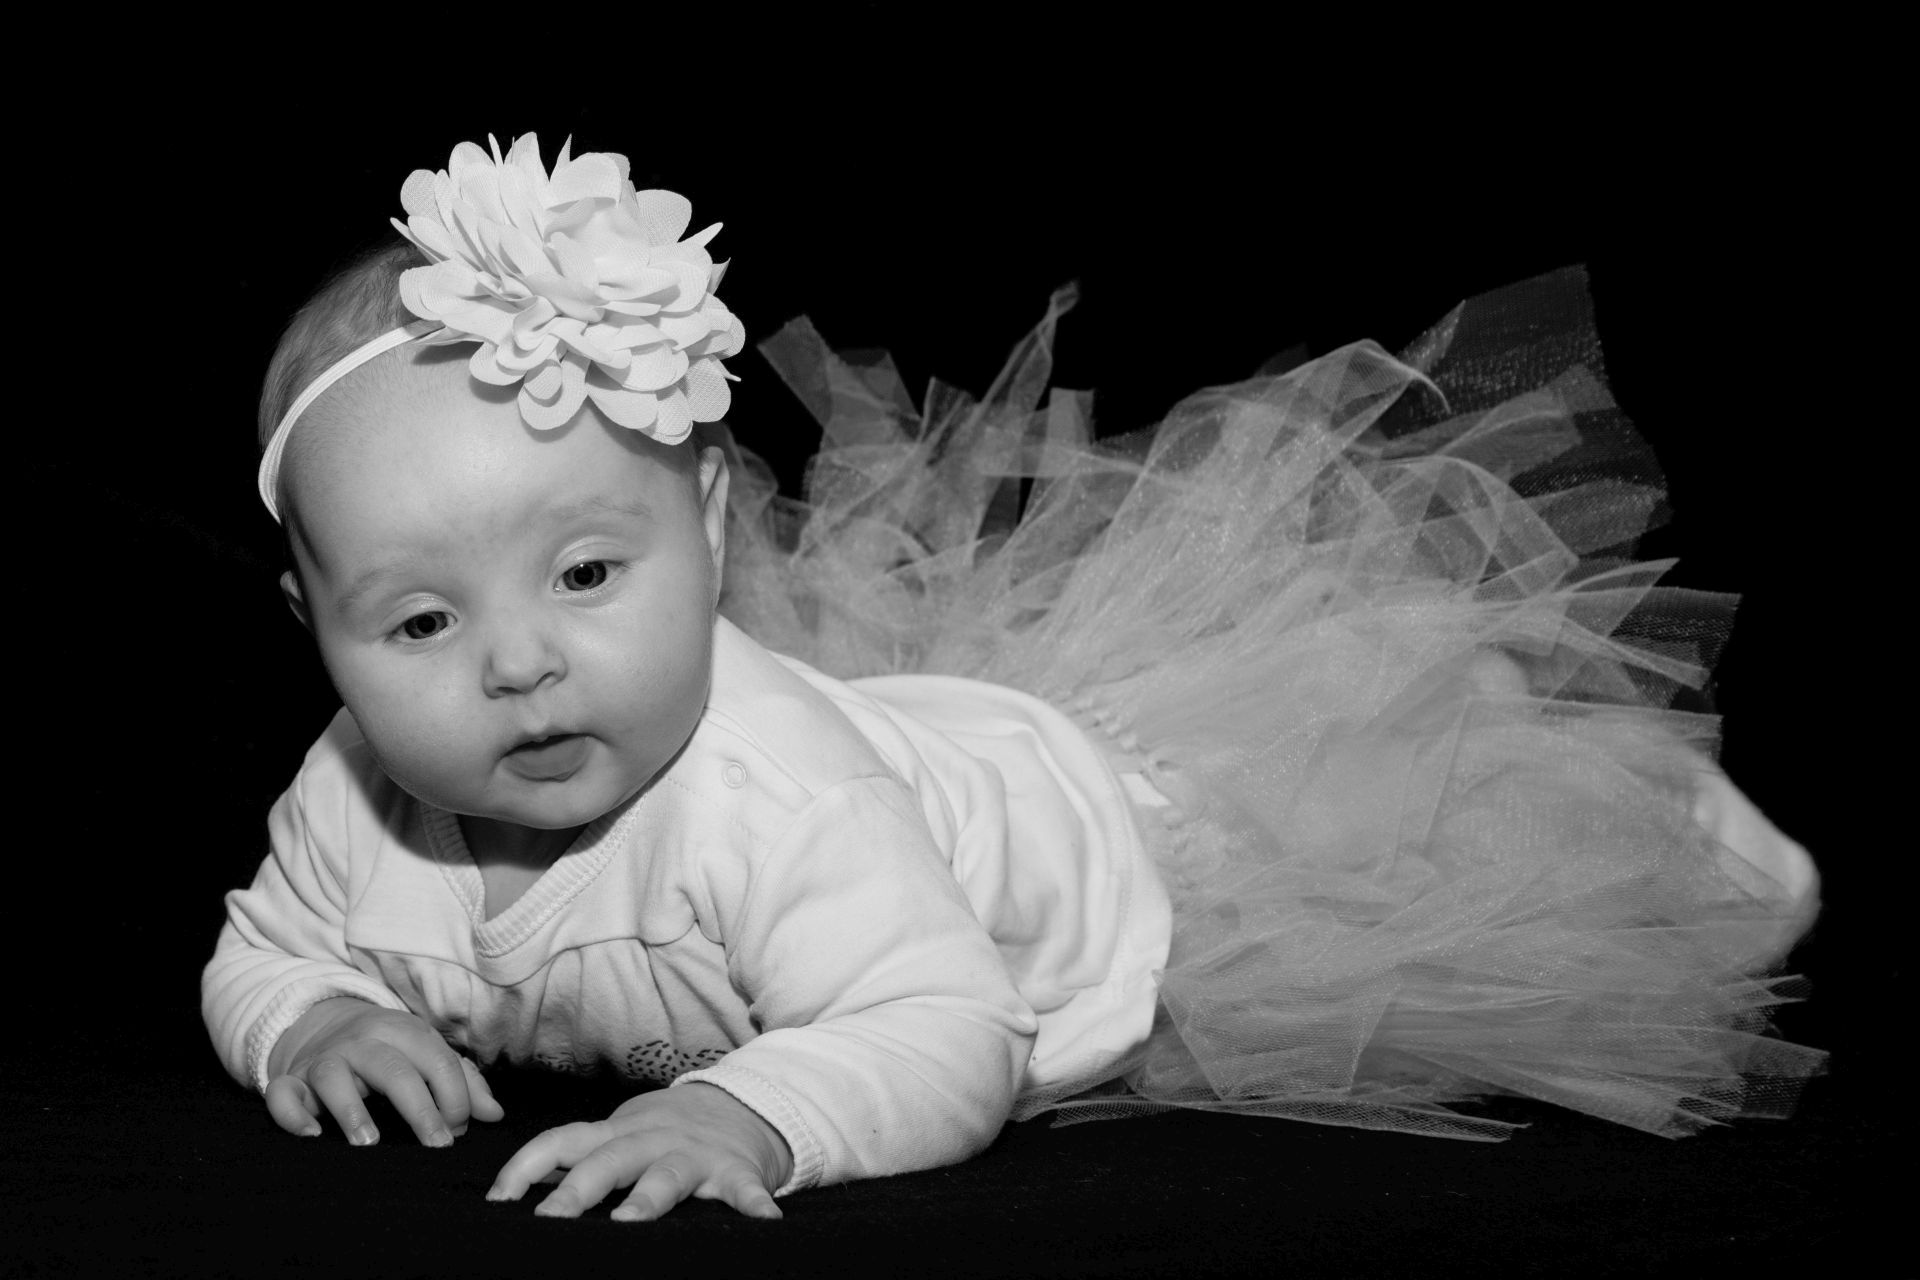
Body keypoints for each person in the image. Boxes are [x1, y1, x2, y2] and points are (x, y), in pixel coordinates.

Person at [203, 134, 1824, 1224]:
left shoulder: (777, 801)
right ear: (312, 623)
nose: (518, 661)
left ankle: (1646, 819)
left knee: (1396, 830)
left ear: (705, 529)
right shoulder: (352, 796)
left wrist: (747, 1117)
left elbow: (945, 1027)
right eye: (420, 623)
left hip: (1126, 839)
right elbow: (260, 948)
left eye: (583, 575)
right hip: (924, 760)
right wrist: (308, 1018)